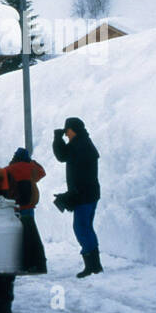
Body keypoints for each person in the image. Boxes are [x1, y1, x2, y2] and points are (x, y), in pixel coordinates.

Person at [52, 117, 102, 277]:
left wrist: (57, 138)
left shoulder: (80, 144)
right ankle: (95, 265)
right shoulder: (83, 142)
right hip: (89, 193)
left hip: (84, 194)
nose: (66, 135)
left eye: (67, 131)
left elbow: (61, 155)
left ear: (73, 129)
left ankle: (92, 265)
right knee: (86, 227)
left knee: (81, 228)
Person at [7, 146, 48, 273]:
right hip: (29, 207)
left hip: (16, 208)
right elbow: (42, 172)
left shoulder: (9, 169)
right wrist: (32, 161)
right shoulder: (32, 168)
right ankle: (34, 261)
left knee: (19, 236)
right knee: (31, 234)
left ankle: (22, 262)